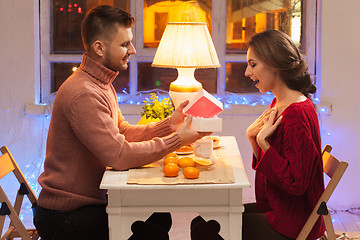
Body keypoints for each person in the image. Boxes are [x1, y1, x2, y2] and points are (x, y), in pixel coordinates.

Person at [33, 5, 208, 240]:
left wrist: (170, 125)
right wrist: (176, 140)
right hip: (65, 216)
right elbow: (119, 156)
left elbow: (121, 131)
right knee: (152, 234)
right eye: (125, 44)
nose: (133, 50)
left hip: (87, 204)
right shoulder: (84, 93)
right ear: (99, 48)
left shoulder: (100, 83)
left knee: (160, 216)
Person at [243, 30, 325, 240]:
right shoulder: (280, 103)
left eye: (253, 64)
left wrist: (263, 142)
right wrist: (254, 138)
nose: (247, 72)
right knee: (206, 221)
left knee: (209, 228)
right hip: (277, 208)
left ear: (274, 64)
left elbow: (295, 183)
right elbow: (276, 166)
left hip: (291, 222)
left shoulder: (296, 115)